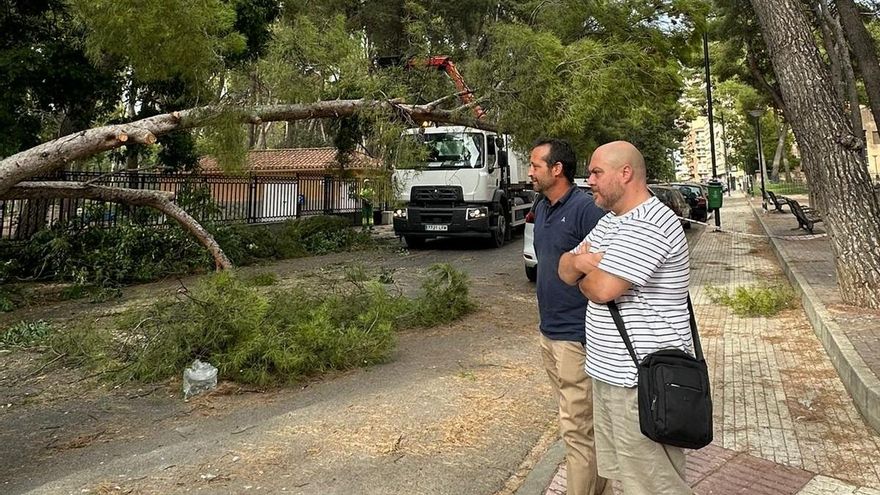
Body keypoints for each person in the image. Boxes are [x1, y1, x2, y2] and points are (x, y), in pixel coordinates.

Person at [558, 141, 693, 494]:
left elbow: (601, 289)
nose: (588, 181)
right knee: (628, 479)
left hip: (642, 380)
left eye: (596, 173)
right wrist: (586, 263)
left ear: (626, 173)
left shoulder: (650, 223)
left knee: (654, 485)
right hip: (610, 375)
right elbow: (562, 267)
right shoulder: (612, 222)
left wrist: (585, 269)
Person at [528, 138, 609, 495]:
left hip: (577, 338)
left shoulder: (585, 210)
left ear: (557, 169)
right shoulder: (543, 205)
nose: (529, 172)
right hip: (550, 333)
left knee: (576, 430)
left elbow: (606, 268)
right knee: (581, 426)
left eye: (535, 166)